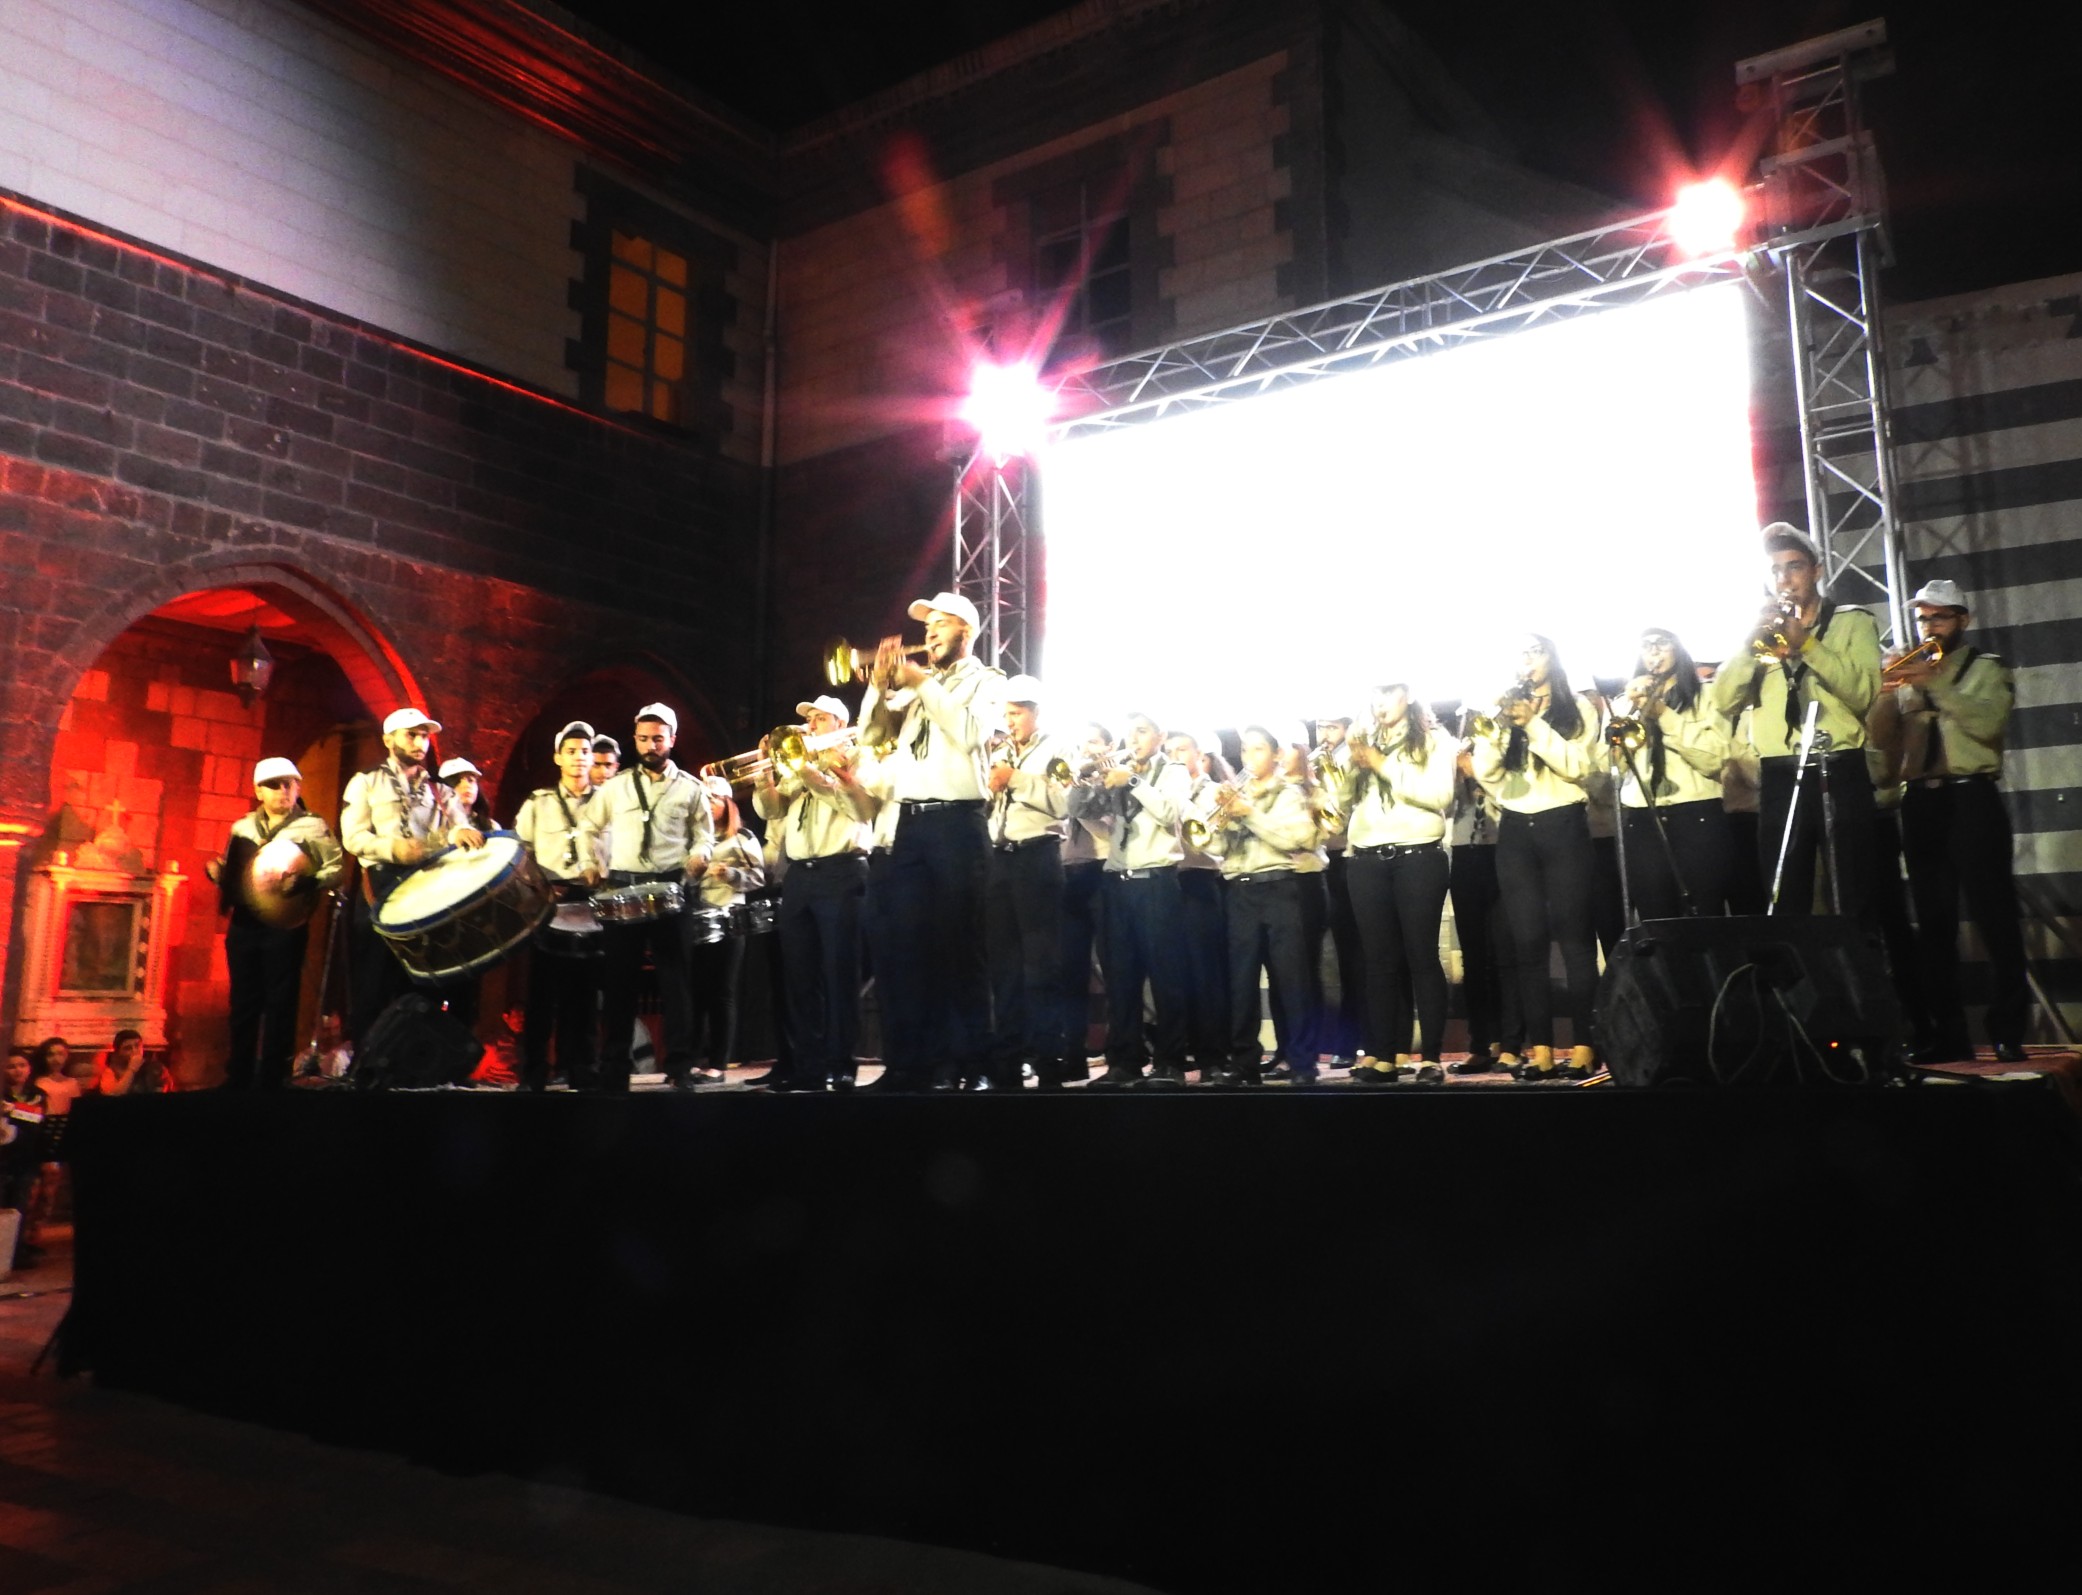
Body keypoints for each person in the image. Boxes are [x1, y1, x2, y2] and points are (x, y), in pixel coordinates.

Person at [1867, 578, 2031, 1063]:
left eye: (1938, 618)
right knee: (1933, 923)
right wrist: (1883, 692)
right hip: (1921, 801)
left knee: (1995, 916)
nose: (1929, 628)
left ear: (1962, 619)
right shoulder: (1909, 672)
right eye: (1922, 619)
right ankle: (1946, 1032)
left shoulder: (1986, 668)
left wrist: (1931, 680)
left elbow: (1987, 723)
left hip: (1971, 798)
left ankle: (2008, 1031)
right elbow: (1882, 743)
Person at [857, 591, 1006, 1092]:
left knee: (961, 949)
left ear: (967, 631)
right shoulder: (921, 689)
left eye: (940, 625)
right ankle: (909, 1064)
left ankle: (973, 1064)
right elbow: (870, 736)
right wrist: (878, 690)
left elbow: (968, 732)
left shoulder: (987, 682)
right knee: (905, 950)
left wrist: (921, 682)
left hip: (958, 824)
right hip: (911, 826)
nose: (929, 635)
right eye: (927, 628)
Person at [1709, 523, 1882, 916]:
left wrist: (1806, 643)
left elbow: (1861, 694)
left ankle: (1855, 973)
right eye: (1776, 571)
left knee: (1851, 892)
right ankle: (1791, 978)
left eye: (1794, 567)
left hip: (1837, 768)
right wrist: (1750, 643)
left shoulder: (1852, 622)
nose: (1784, 580)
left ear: (1817, 571)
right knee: (1783, 893)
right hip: (1779, 773)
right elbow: (1722, 699)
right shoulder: (1761, 634)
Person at [1468, 635, 1602, 1081]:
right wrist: (1496, 729)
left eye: (1535, 652)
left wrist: (1533, 725)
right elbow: (1487, 773)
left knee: (1577, 941)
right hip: (1516, 830)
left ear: (1553, 659)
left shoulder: (1577, 709)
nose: (1527, 661)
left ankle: (1585, 1044)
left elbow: (1577, 766)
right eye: (1521, 654)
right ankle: (1540, 1049)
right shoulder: (1508, 713)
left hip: (1563, 824)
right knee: (1527, 946)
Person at [579, 703, 714, 1090]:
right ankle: (615, 1065)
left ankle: (681, 1064)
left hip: (672, 885)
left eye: (658, 738)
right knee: (620, 981)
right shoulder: (617, 786)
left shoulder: (690, 788)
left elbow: (704, 833)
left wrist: (700, 854)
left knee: (677, 981)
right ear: (634, 740)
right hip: (624, 884)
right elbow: (588, 825)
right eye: (643, 739)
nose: (650, 745)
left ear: (672, 739)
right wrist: (592, 862)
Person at [340, 707, 485, 1044]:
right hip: (381, 881)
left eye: (424, 735)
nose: (421, 742)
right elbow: (353, 837)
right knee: (374, 980)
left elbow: (458, 822)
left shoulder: (439, 790)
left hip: (427, 885)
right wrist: (396, 848)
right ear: (388, 739)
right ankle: (366, 1065)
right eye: (412, 734)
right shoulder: (367, 781)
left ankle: (414, 1067)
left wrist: (459, 833)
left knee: (421, 982)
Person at [753, 694, 875, 1092]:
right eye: (809, 720)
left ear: (839, 724)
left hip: (841, 871)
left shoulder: (857, 759)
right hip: (800, 877)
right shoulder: (798, 763)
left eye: (819, 719)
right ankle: (808, 1064)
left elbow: (860, 810)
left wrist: (810, 774)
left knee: (840, 974)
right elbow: (772, 811)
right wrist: (765, 774)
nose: (809, 726)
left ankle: (841, 1063)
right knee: (800, 976)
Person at [1337, 685, 1457, 1083]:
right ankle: (1384, 1054)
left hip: (1418, 856)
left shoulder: (1435, 739)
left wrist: (1381, 763)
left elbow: (1440, 794)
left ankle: (1431, 1058)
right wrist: (1350, 765)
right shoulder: (1365, 741)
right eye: (1374, 695)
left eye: (1387, 693)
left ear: (1406, 695)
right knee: (1379, 961)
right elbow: (1341, 802)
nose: (1379, 703)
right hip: (1366, 858)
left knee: (1421, 956)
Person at [1071, 711, 1193, 1089]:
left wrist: (1134, 781)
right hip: (1116, 882)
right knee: (1120, 977)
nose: (1134, 740)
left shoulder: (1173, 771)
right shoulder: (1119, 770)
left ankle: (1170, 1061)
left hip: (1156, 881)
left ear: (1160, 736)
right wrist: (1083, 780)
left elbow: (1169, 812)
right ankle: (1124, 1060)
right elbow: (1080, 811)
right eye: (1129, 733)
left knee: (1165, 976)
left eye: (1141, 732)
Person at [208, 756, 346, 1089]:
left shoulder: (312, 826)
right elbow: (232, 867)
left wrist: (310, 881)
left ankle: (272, 1077)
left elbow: (336, 868)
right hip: (244, 923)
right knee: (243, 1002)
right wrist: (217, 872)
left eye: (289, 784)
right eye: (274, 785)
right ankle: (238, 1076)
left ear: (298, 787)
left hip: (285, 925)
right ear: (259, 791)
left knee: (280, 1002)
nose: (283, 791)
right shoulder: (242, 827)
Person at [1204, 725, 1320, 1086]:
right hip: (1239, 891)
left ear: (1274, 755)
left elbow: (1296, 839)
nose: (1249, 757)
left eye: (1257, 750)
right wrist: (1222, 819)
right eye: (1244, 750)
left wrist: (1248, 812)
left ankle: (1303, 1063)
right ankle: (1244, 1062)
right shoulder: (1232, 795)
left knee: (1292, 980)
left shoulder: (1289, 793)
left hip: (1279, 888)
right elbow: (1216, 848)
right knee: (1241, 982)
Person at [984, 676, 1071, 1089]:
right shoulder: (1001, 751)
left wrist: (1014, 778)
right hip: (999, 860)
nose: (1010, 721)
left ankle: (1048, 1058)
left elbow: (1062, 802)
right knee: (1004, 967)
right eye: (1007, 714)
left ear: (1037, 712)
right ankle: (1008, 1059)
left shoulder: (1058, 748)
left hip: (1037, 858)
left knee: (1041, 965)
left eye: (1017, 713)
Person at [1611, 630, 1733, 922]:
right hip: (1642, 817)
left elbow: (1715, 759)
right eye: (1646, 646)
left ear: (1678, 650)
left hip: (1696, 814)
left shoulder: (1706, 695)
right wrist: (1632, 712)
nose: (1653, 652)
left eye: (1661, 644)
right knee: (1656, 919)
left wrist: (1664, 714)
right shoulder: (1623, 704)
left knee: (1705, 915)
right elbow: (1612, 770)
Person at [513, 720, 602, 1092]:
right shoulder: (538, 802)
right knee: (541, 994)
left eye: (585, 751)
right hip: (549, 901)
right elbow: (521, 851)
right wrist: (539, 888)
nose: (579, 758)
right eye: (571, 751)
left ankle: (579, 1067)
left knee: (583, 995)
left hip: (590, 899)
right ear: (557, 757)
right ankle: (533, 1071)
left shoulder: (608, 800)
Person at [690, 774, 765, 1085]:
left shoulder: (742, 838)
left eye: (715, 800)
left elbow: (759, 876)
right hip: (696, 919)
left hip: (729, 918)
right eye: (704, 800)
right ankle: (691, 1059)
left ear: (728, 804)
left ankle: (718, 1063)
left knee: (722, 992)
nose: (709, 805)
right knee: (695, 993)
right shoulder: (693, 840)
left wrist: (732, 874)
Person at [1169, 729, 1233, 1082]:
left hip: (1201, 879)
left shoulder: (1212, 791)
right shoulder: (1164, 787)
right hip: (1168, 881)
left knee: (1205, 971)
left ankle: (1213, 1052)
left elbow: (1216, 841)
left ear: (1199, 755)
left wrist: (1181, 799)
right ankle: (1182, 1048)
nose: (1175, 756)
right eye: (1170, 751)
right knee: (1174, 973)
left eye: (1182, 750)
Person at [1057, 722, 1118, 1084]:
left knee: (1113, 967)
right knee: (1071, 972)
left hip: (1103, 872)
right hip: (1069, 873)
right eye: (1083, 745)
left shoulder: (1112, 782)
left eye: (1094, 743)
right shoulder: (1070, 781)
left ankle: (1121, 1052)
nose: (1088, 750)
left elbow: (1106, 829)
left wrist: (1077, 794)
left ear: (1109, 747)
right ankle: (1073, 1053)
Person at [2, 1048, 54, 1265]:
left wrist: (13, 1109)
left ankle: (17, 1251)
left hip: (27, 1158)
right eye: (12, 1066)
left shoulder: (37, 1094)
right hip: (4, 1158)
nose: (17, 1070)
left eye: (21, 1065)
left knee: (21, 1204)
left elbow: (37, 1117)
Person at [438, 757, 498, 830]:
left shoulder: (492, 827)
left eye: (471, 780)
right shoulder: (433, 822)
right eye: (458, 781)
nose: (467, 785)